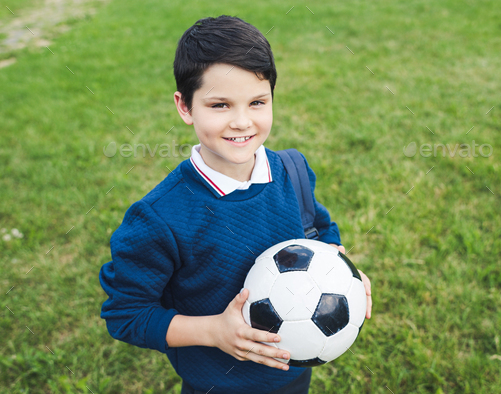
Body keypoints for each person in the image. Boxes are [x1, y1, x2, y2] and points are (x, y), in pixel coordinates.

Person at [99, 15, 372, 394]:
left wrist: (342, 275)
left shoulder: (291, 171)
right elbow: (127, 314)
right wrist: (213, 331)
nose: (242, 122)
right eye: (220, 105)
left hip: (294, 376)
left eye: (257, 102)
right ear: (185, 107)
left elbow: (319, 230)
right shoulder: (160, 218)